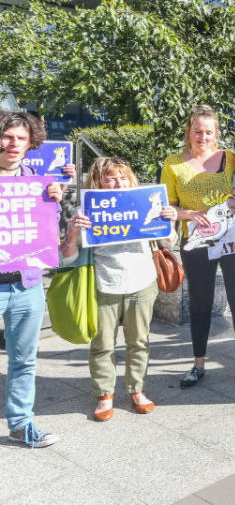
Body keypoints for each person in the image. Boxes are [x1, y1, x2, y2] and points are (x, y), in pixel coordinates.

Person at [60, 157, 176, 421]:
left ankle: (137, 390)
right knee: (102, 344)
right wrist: (74, 233)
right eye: (110, 177)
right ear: (98, 182)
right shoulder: (83, 209)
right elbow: (66, 256)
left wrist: (169, 221)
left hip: (142, 281)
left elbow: (169, 240)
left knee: (139, 341)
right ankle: (104, 394)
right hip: (104, 283)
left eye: (123, 176)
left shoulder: (144, 202)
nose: (118, 182)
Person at [161, 105, 235, 389]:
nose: (203, 136)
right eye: (197, 131)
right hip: (197, 241)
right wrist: (189, 214)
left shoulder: (233, 158)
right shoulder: (173, 164)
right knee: (199, 304)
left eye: (209, 132)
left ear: (216, 134)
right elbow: (168, 208)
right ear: (188, 132)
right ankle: (198, 364)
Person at [0, 111, 73, 448]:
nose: (12, 144)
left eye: (20, 138)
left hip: (26, 285)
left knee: (24, 360)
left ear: (31, 144)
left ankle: (21, 424)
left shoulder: (39, 182)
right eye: (7, 136)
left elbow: (47, 232)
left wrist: (56, 202)